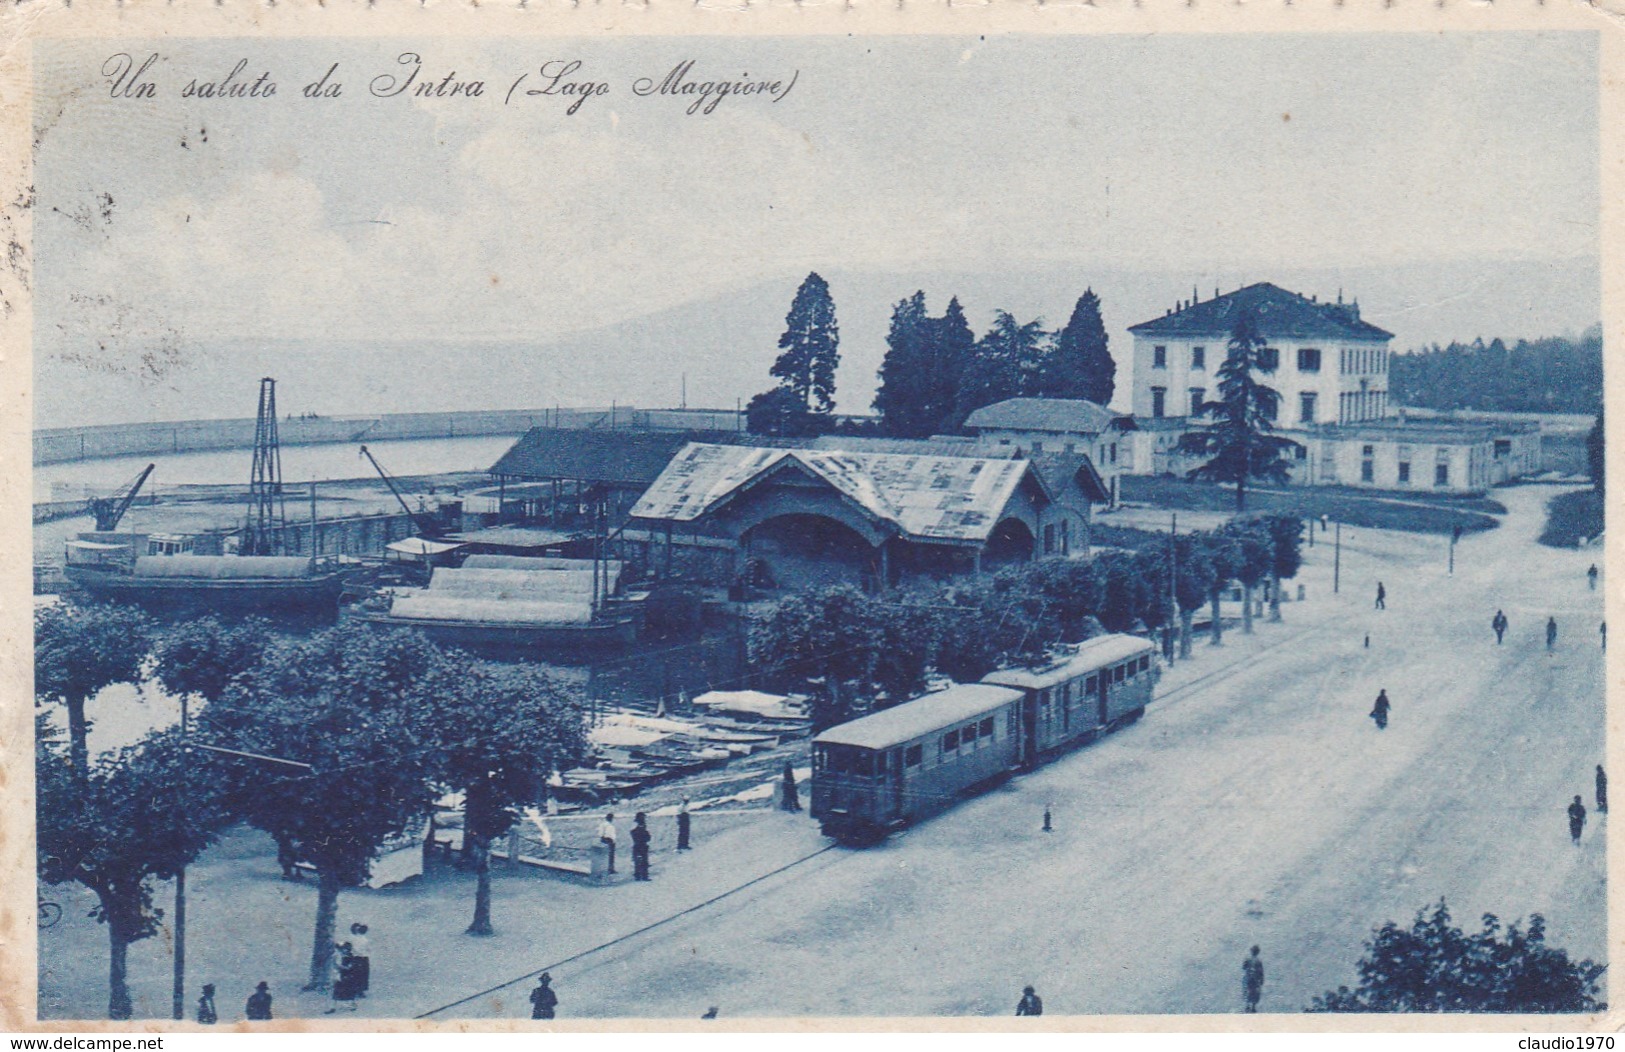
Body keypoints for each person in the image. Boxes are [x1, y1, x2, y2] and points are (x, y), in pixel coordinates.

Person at [348, 922, 371, 998]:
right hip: (364, 958)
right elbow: (368, 950)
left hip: (354, 958)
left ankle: (353, 990)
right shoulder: (365, 940)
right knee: (363, 975)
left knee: (354, 974)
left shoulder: (351, 939)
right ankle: (360, 991)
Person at [1242, 946, 1265, 1013]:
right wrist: (1261, 980)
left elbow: (1243, 967)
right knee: (1255, 992)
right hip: (1255, 979)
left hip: (1248, 978)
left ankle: (1247, 1006)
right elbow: (1261, 972)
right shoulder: (1259, 961)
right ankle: (1253, 1007)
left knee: (1247, 990)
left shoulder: (1247, 959)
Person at [631, 812, 652, 881]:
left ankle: (640, 876)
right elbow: (633, 833)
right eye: (643, 817)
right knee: (640, 860)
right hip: (639, 844)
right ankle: (641, 876)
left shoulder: (641, 824)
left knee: (642, 860)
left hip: (641, 844)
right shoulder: (636, 824)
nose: (644, 818)